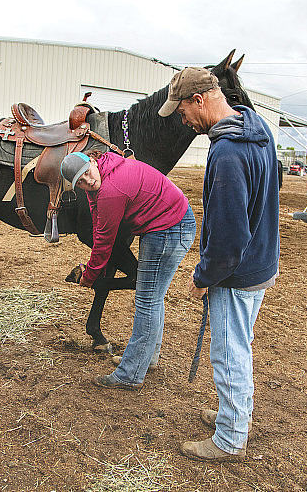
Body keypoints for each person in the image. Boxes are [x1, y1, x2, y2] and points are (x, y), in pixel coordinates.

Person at [158, 67, 280, 462]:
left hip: (236, 272)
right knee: (239, 346)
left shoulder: (227, 152)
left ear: (199, 100)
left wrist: (203, 276)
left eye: (182, 112)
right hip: (261, 260)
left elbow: (228, 234)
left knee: (229, 353)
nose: (183, 121)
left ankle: (230, 439)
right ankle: (235, 415)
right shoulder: (255, 127)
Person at [60, 149, 196, 390]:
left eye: (87, 173)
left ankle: (130, 374)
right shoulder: (105, 170)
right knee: (153, 298)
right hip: (171, 223)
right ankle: (146, 358)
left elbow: (104, 242)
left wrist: (89, 276)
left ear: (92, 161)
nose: (87, 181)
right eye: (80, 181)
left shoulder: (111, 190)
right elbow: (97, 218)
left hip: (168, 230)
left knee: (146, 300)